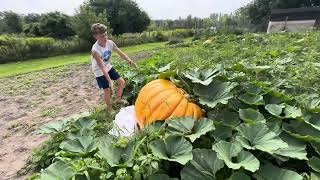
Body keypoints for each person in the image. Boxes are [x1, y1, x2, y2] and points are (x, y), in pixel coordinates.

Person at [91, 23, 138, 113]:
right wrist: (110, 82)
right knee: (107, 90)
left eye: (105, 34)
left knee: (121, 82)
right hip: (99, 71)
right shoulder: (95, 50)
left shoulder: (110, 43)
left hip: (107, 66)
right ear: (95, 36)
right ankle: (110, 109)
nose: (105, 37)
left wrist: (130, 62)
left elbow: (121, 53)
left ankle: (118, 100)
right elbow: (102, 68)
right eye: (101, 36)